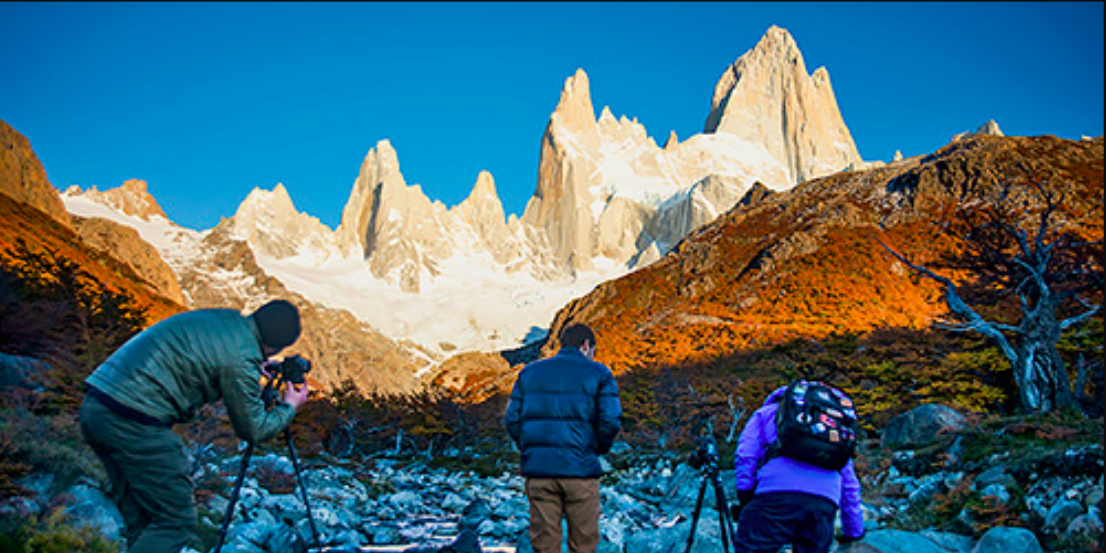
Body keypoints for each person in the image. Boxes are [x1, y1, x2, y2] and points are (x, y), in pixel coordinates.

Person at [79, 299, 311, 553]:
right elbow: (254, 429)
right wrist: (289, 406)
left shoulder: (226, 319)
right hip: (134, 418)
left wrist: (252, 364)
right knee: (175, 522)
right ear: (276, 345)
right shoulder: (241, 359)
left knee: (145, 519)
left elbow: (214, 356)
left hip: (98, 405)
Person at [505, 323, 622, 553]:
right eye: (593, 351)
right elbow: (610, 420)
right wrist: (595, 449)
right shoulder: (600, 373)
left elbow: (512, 419)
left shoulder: (529, 373)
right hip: (580, 471)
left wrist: (531, 448)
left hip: (540, 472)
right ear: (586, 345)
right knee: (584, 544)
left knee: (545, 545)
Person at [731, 384, 866, 553]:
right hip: (824, 502)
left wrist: (746, 497)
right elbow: (849, 484)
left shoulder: (766, 413)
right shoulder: (835, 426)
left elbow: (745, 456)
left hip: (775, 494)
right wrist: (854, 530)